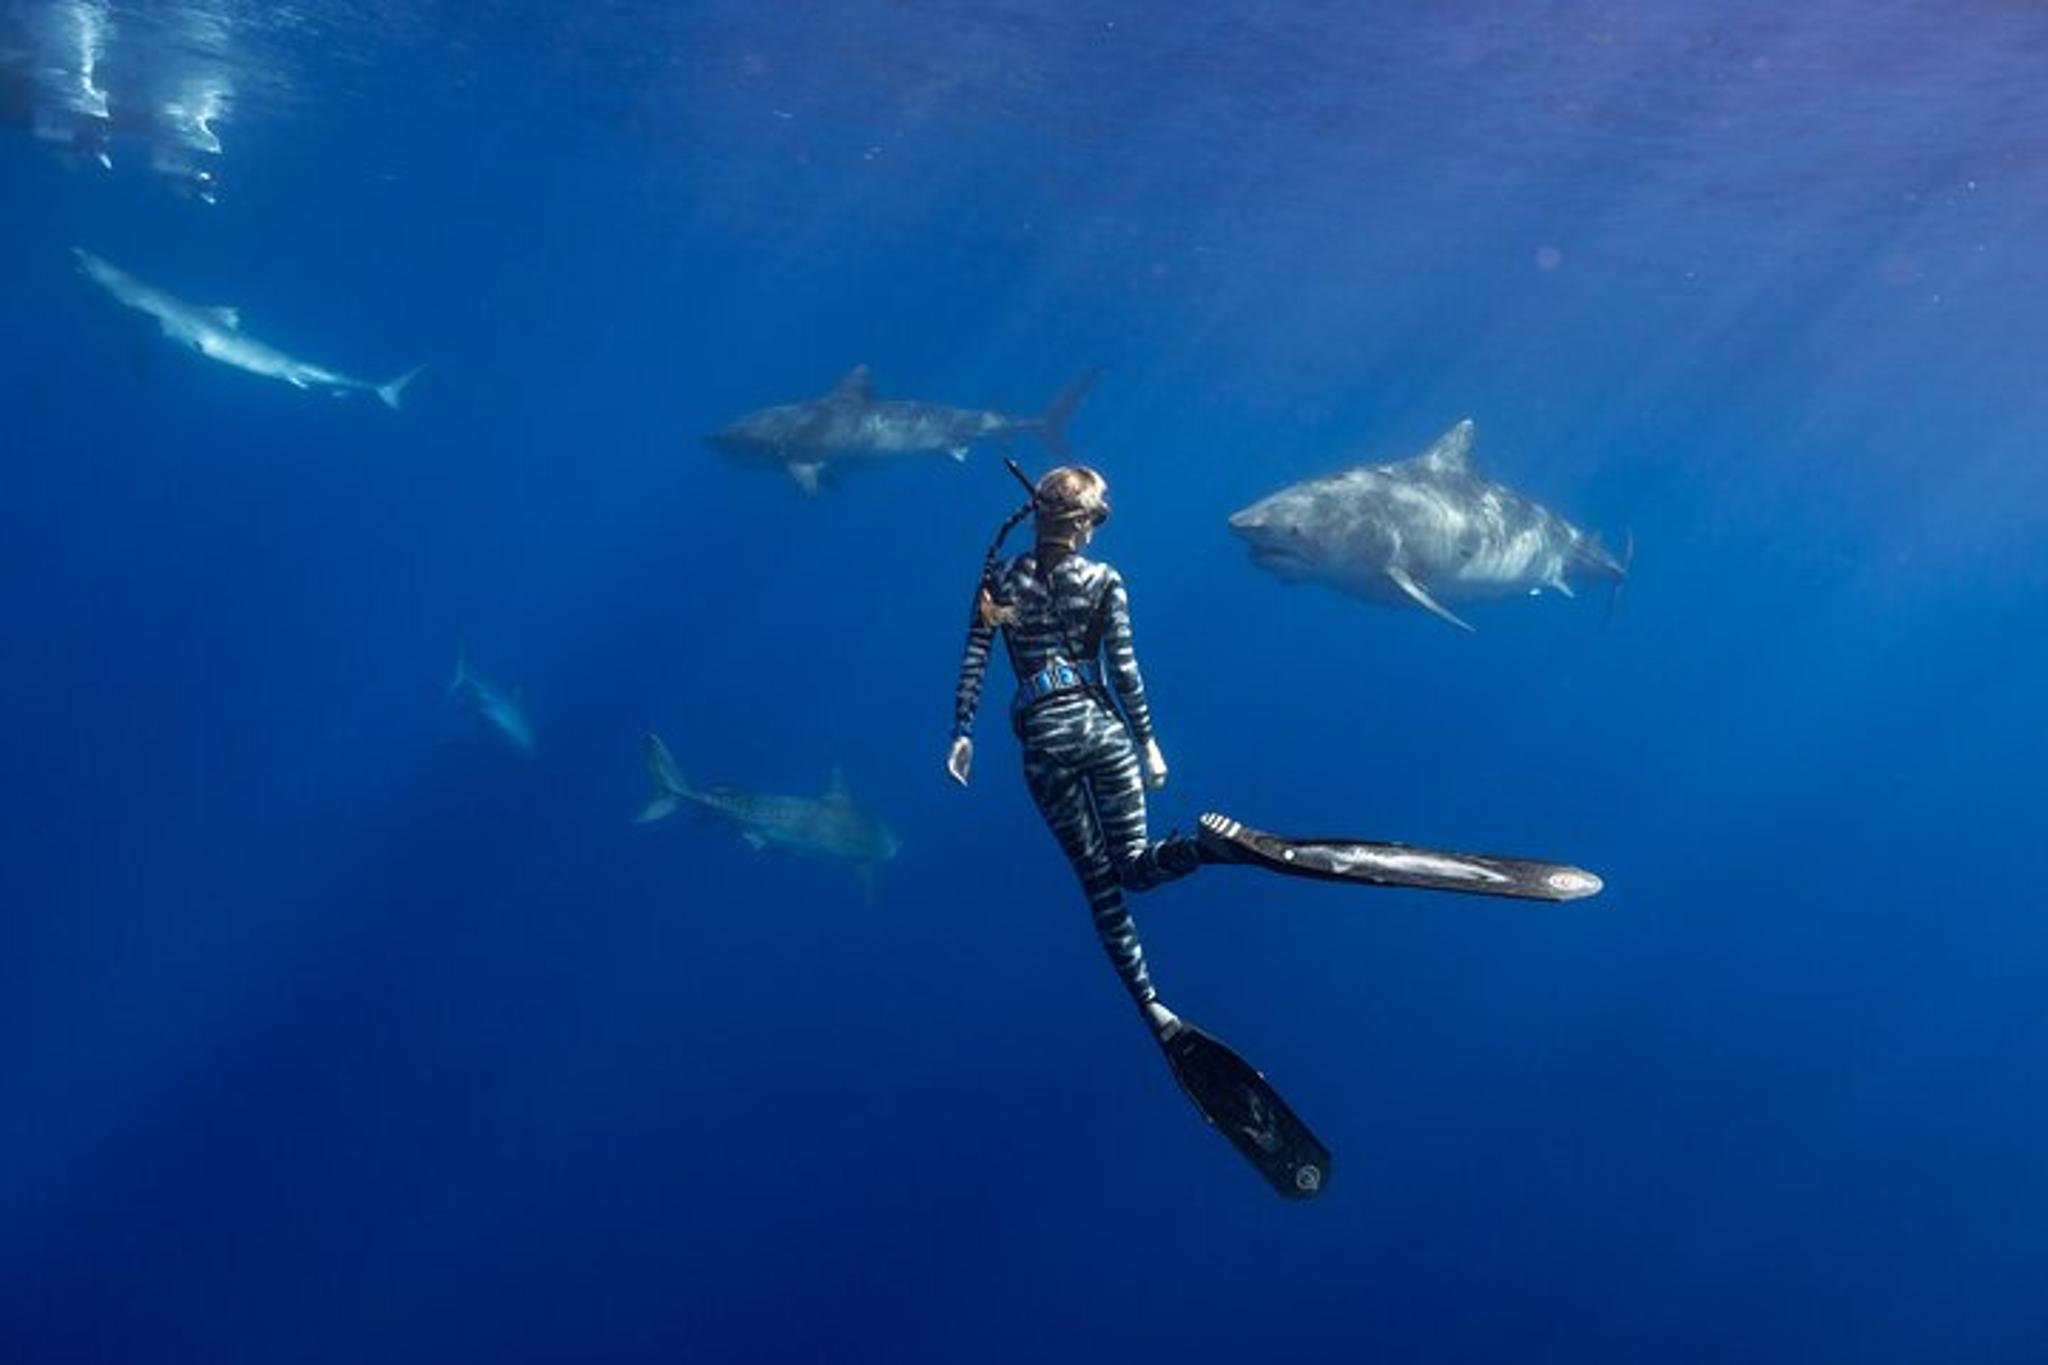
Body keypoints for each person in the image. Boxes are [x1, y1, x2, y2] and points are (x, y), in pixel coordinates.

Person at [946, 464, 1218, 1042]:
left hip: (1044, 742)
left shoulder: (1001, 581)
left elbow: (976, 656)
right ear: (1084, 522)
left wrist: (962, 732)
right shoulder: (1104, 580)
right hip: (1102, 733)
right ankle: (1208, 849)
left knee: (1101, 886)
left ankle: (1152, 1008)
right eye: (1099, 515)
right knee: (1137, 867)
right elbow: (1124, 672)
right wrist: (1148, 743)